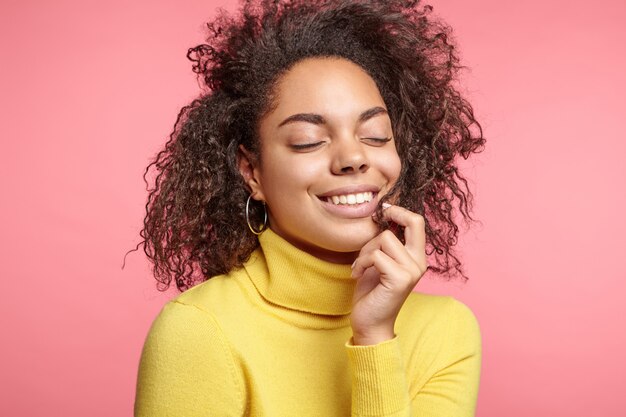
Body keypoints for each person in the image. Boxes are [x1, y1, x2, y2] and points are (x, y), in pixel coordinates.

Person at [133, 0, 486, 416]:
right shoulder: (199, 329)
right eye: (308, 140)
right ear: (252, 172)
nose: (353, 158)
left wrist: (375, 337)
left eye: (375, 134)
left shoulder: (446, 330)